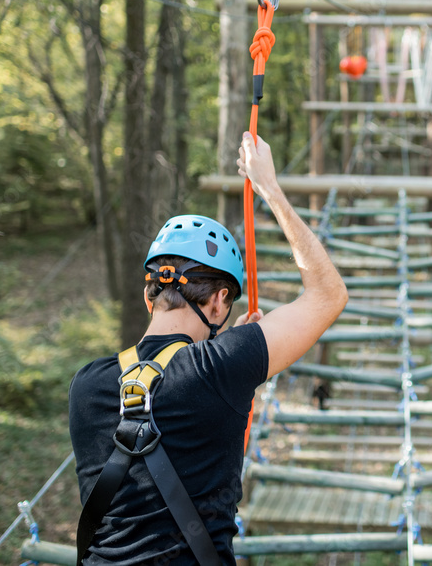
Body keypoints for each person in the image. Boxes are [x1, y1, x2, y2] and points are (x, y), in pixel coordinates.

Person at [68, 131, 348, 565]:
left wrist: (229, 346)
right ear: (219, 301)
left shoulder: (86, 386)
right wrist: (269, 188)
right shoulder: (222, 367)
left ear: (149, 296)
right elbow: (329, 295)